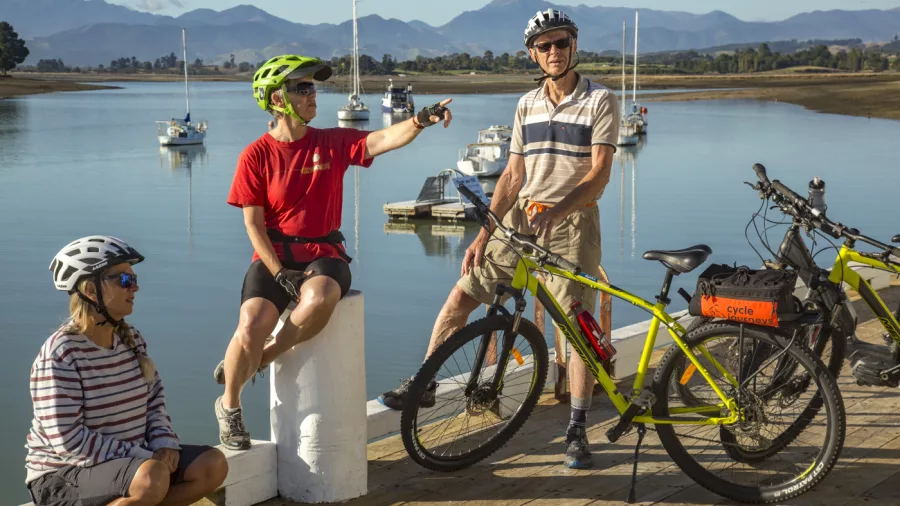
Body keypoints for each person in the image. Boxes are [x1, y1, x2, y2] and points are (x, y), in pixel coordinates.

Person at [379, 9, 619, 470]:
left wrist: (559, 209)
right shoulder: (526, 103)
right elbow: (511, 176)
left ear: (574, 45)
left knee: (576, 327)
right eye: (544, 45)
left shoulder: (600, 99)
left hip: (572, 226)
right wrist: (484, 232)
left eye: (561, 42)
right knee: (461, 295)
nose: (554, 51)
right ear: (532, 53)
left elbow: (599, 173)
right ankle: (426, 382)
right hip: (519, 224)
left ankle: (576, 427)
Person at [214, 54, 453, 450]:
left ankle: (263, 357)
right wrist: (277, 273)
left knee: (321, 297)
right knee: (251, 323)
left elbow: (381, 140)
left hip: (325, 252)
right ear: (277, 99)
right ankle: (230, 407)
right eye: (303, 88)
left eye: (313, 88)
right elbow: (253, 226)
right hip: (274, 255)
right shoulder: (255, 155)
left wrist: (419, 120)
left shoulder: (331, 142)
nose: (313, 95)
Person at [26, 236, 228, 506]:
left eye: (134, 279)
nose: (135, 287)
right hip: (62, 474)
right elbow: (69, 441)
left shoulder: (131, 338)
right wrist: (142, 456)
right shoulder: (61, 354)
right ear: (91, 290)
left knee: (212, 465)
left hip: (131, 462)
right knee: (151, 477)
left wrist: (163, 442)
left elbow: (154, 402)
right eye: (124, 280)